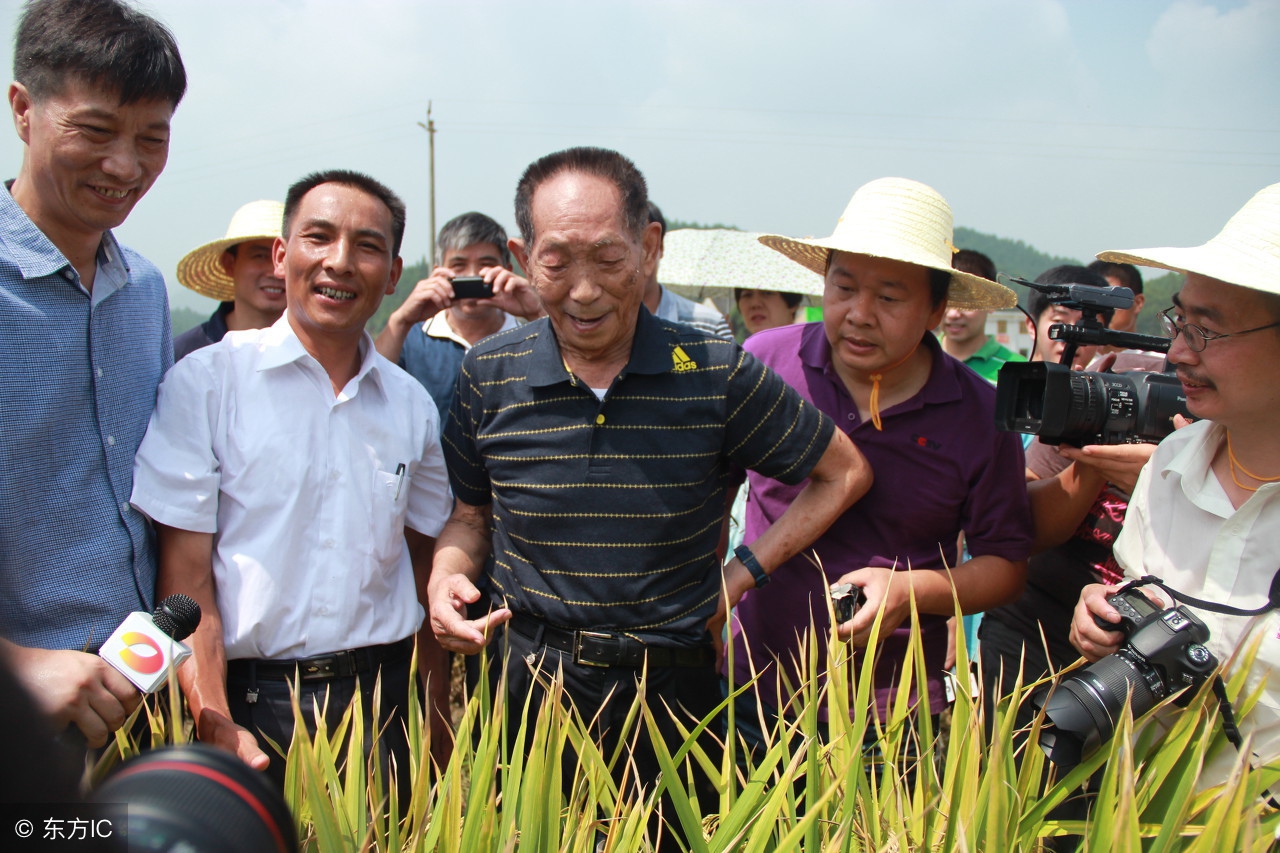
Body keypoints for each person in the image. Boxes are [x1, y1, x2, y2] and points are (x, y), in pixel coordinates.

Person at [428, 146, 870, 841]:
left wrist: (741, 575)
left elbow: (843, 471)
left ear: (649, 247)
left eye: (607, 259)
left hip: (672, 693)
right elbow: (469, 516)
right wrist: (446, 576)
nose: (583, 290)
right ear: (521, 255)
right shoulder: (489, 372)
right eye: (556, 262)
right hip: (528, 687)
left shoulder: (713, 368)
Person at [130, 170, 454, 790]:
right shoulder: (208, 383)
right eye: (318, 237)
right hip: (255, 706)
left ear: (392, 274)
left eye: (366, 246)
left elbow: (420, 564)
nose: (339, 262)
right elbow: (187, 577)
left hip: (384, 710)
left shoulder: (411, 405)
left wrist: (436, 722)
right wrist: (214, 719)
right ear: (283, 256)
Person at [727, 178, 1033, 751]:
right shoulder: (768, 363)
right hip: (749, 685)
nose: (859, 314)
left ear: (938, 308)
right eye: (843, 288)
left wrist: (913, 590)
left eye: (890, 298)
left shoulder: (980, 413)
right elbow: (713, 489)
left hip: (890, 713)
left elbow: (1005, 565)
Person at [0, 0, 186, 748]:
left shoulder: (143, 292)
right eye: (96, 130)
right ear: (23, 109)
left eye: (152, 138)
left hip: (137, 700)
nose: (126, 166)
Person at [1070, 182, 1280, 788]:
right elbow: (1142, 601)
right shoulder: (1172, 463)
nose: (1178, 351)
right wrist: (1104, 620)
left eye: (1206, 331)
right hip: (1143, 810)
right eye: (1179, 320)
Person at [375, 211, 541, 427]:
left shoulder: (531, 338)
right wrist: (401, 320)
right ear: (437, 272)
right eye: (459, 265)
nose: (472, 275)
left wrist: (538, 312)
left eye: (486, 264)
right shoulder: (411, 339)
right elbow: (368, 385)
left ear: (507, 270)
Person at [172, 200, 286, 360]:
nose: (275, 271)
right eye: (260, 256)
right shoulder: (184, 355)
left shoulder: (324, 351)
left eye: (284, 258)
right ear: (229, 264)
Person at [645, 201, 734, 340]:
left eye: (646, 244)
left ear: (659, 246)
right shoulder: (601, 326)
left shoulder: (708, 325)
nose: (637, 254)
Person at [940, 248, 1026, 383]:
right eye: (947, 301)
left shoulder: (1017, 369)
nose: (953, 314)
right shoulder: (912, 358)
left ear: (991, 303)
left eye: (966, 303)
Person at [1089, 259, 1145, 339]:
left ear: (1138, 303)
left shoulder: (1160, 351)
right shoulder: (1068, 350)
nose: (1103, 309)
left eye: (1111, 299)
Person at [736, 286, 803, 337]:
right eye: (747, 295)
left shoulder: (808, 351)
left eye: (767, 293)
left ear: (793, 304)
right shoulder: (738, 353)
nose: (755, 304)